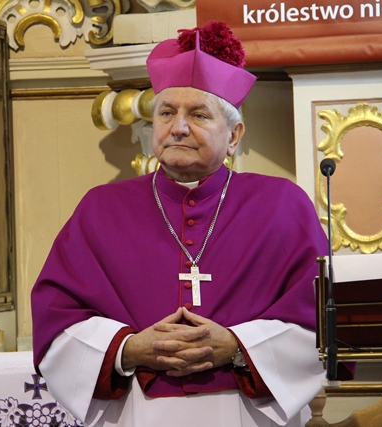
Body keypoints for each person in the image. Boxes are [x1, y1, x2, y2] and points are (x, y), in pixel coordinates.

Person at [31, 21, 331, 426]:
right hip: (138, 412)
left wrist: (238, 346)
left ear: (234, 135)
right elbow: (56, 318)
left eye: (199, 114)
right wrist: (129, 349)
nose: (179, 127)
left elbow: (321, 321)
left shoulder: (283, 205)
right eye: (166, 113)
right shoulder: (100, 209)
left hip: (249, 414)